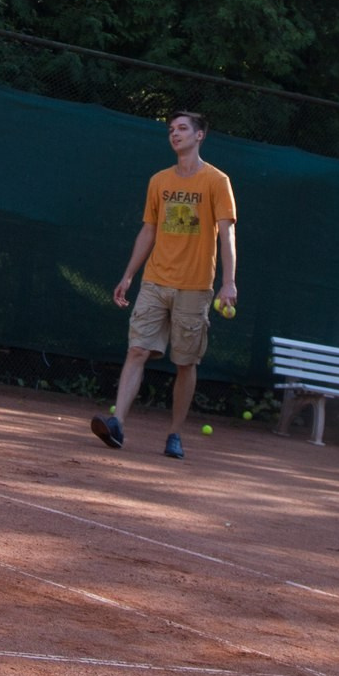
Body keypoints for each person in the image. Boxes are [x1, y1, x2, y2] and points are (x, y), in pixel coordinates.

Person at [93, 110, 238, 459]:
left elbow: (226, 233)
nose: (175, 134)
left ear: (199, 135)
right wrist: (129, 275)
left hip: (195, 286)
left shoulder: (217, 181)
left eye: (183, 129)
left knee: (185, 363)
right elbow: (149, 230)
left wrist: (228, 282)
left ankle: (174, 434)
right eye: (171, 129)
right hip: (156, 280)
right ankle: (117, 424)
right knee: (137, 350)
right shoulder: (159, 180)